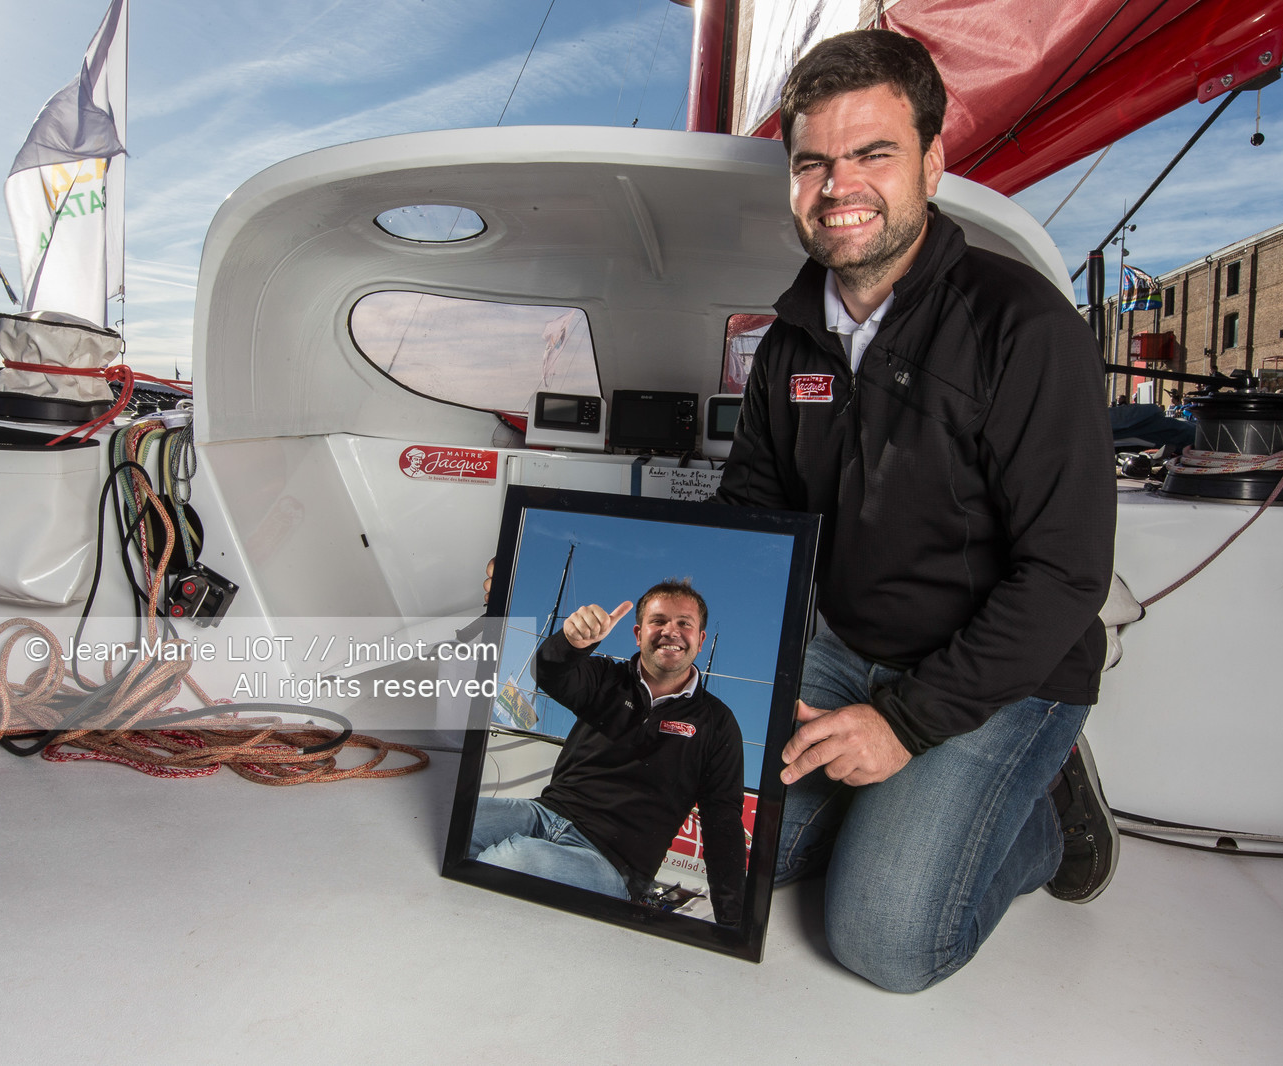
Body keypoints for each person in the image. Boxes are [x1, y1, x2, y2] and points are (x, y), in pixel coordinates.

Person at [714, 30, 1117, 991]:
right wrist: (594, 559)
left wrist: (902, 728)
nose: (838, 183)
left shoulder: (1023, 327)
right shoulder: (789, 344)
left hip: (1002, 669)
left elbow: (1065, 575)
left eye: (872, 154)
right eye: (813, 162)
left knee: (886, 943)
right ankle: (905, 804)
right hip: (842, 644)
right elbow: (750, 515)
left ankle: (1043, 817)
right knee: (712, 845)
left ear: (933, 165)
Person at [469, 580, 746, 925]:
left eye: (684, 623)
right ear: (638, 633)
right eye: (658, 621)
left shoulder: (717, 724)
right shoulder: (606, 678)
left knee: (511, 862)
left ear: (700, 640)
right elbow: (551, 674)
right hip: (542, 814)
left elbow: (723, 825)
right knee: (460, 820)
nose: (670, 631)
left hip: (612, 864)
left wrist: (732, 927)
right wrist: (570, 644)